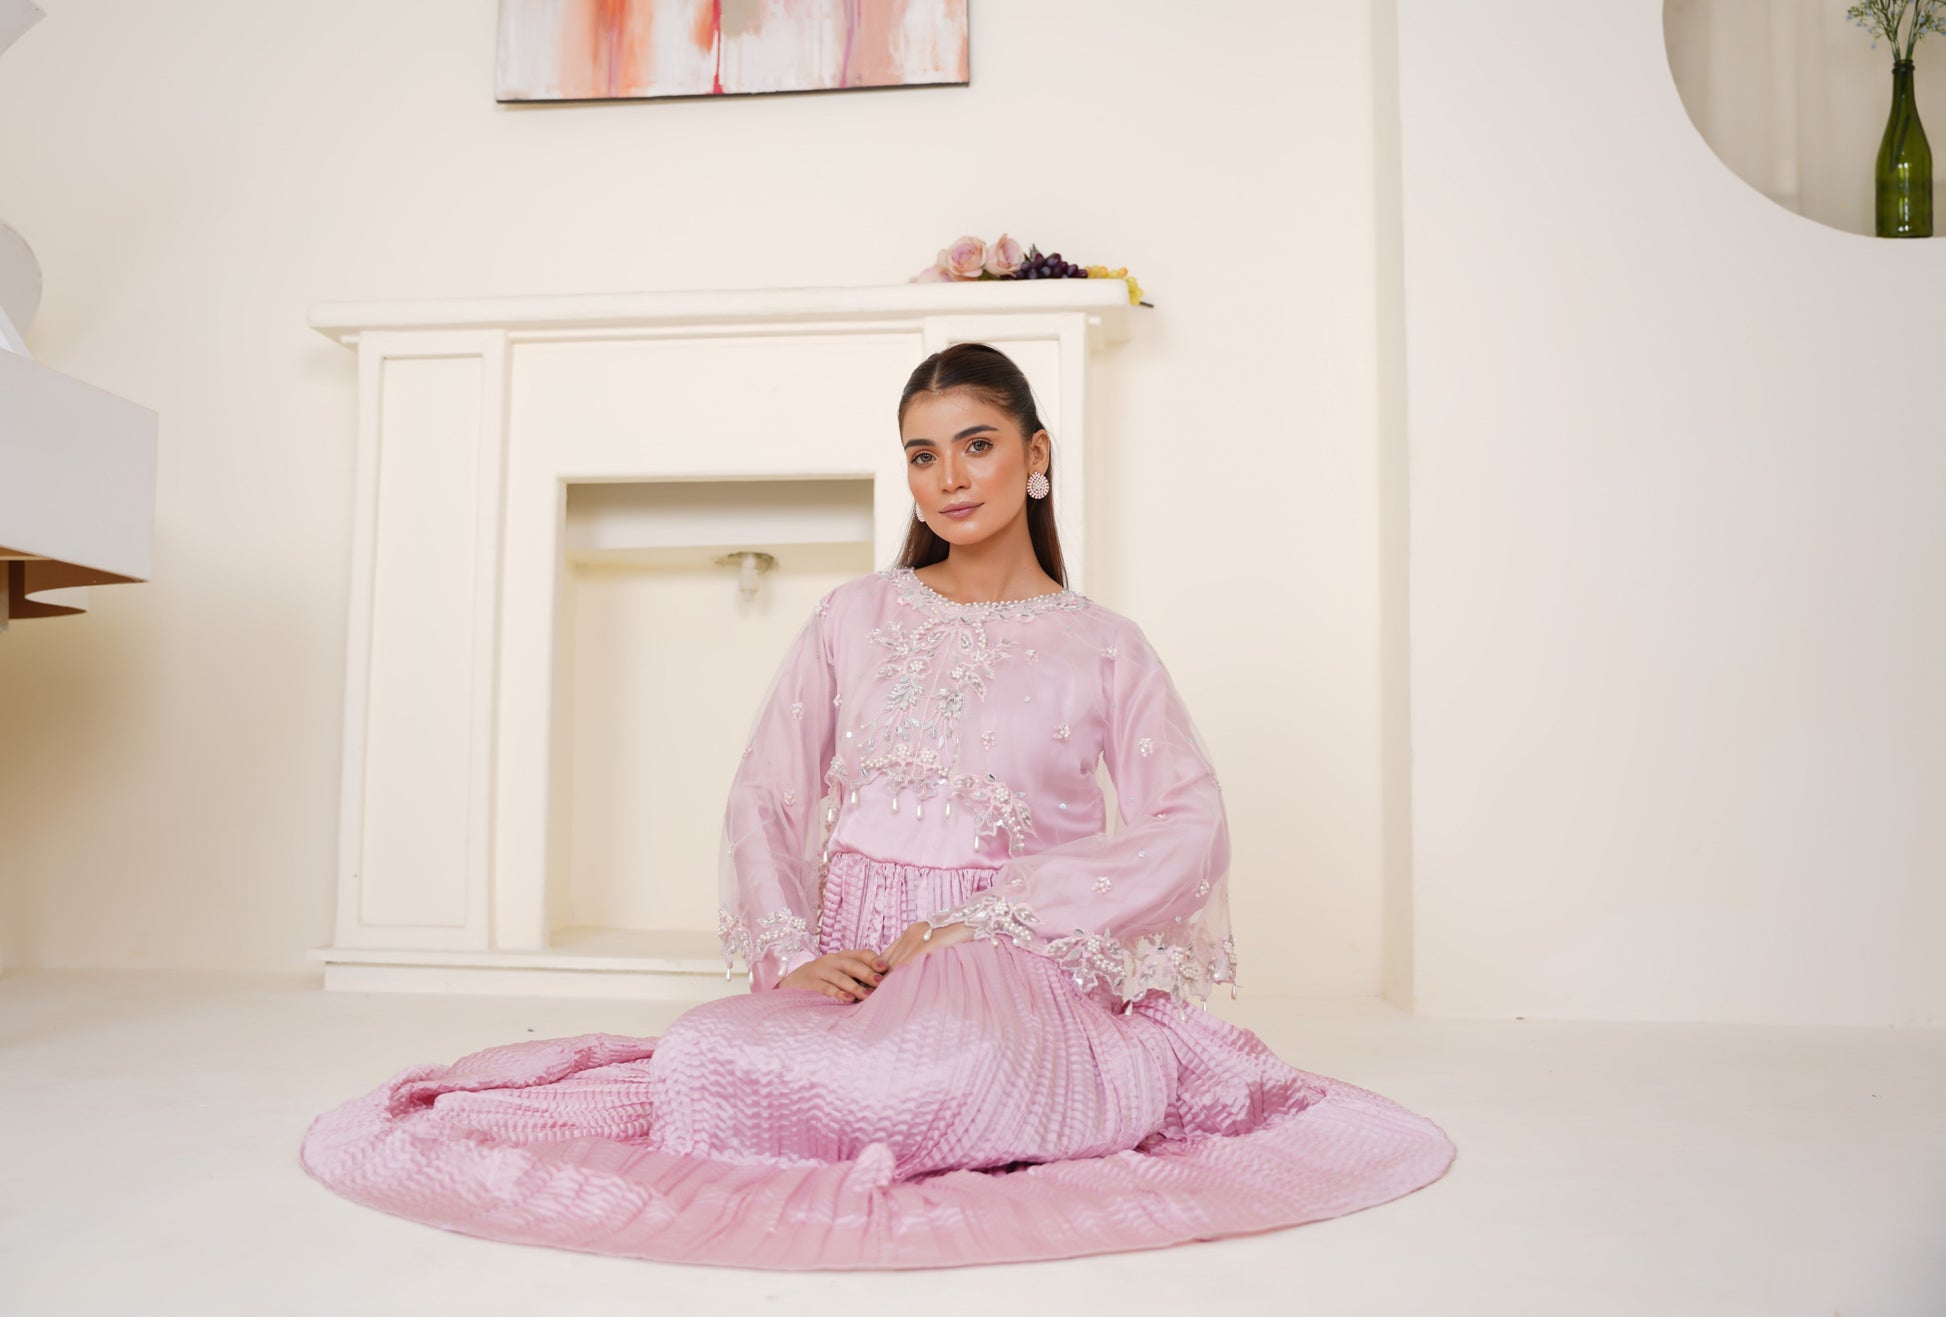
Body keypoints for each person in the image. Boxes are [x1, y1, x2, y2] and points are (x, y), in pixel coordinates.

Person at [299, 342, 1457, 1270]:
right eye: (921, 455)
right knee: (698, 1060)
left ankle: (990, 1075)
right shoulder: (852, 617)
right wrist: (791, 952)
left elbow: (1188, 823)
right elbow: (765, 790)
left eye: (976, 446)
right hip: (853, 962)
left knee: (936, 1075)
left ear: (1034, 455)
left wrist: (995, 918)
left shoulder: (1102, 645)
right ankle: (850, 1064)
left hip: (1003, 955)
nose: (948, 478)